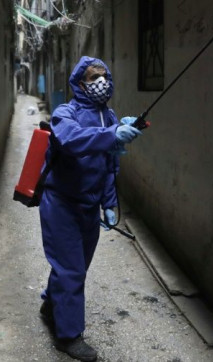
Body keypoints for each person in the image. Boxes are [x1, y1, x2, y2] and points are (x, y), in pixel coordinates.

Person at [38, 56, 142, 361]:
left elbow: (110, 164)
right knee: (70, 269)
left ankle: (50, 305)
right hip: (61, 204)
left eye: (104, 77)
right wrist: (111, 136)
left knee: (73, 266)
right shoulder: (64, 113)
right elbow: (70, 140)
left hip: (89, 206)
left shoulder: (109, 117)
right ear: (79, 83)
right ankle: (68, 336)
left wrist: (109, 203)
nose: (101, 83)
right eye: (93, 78)